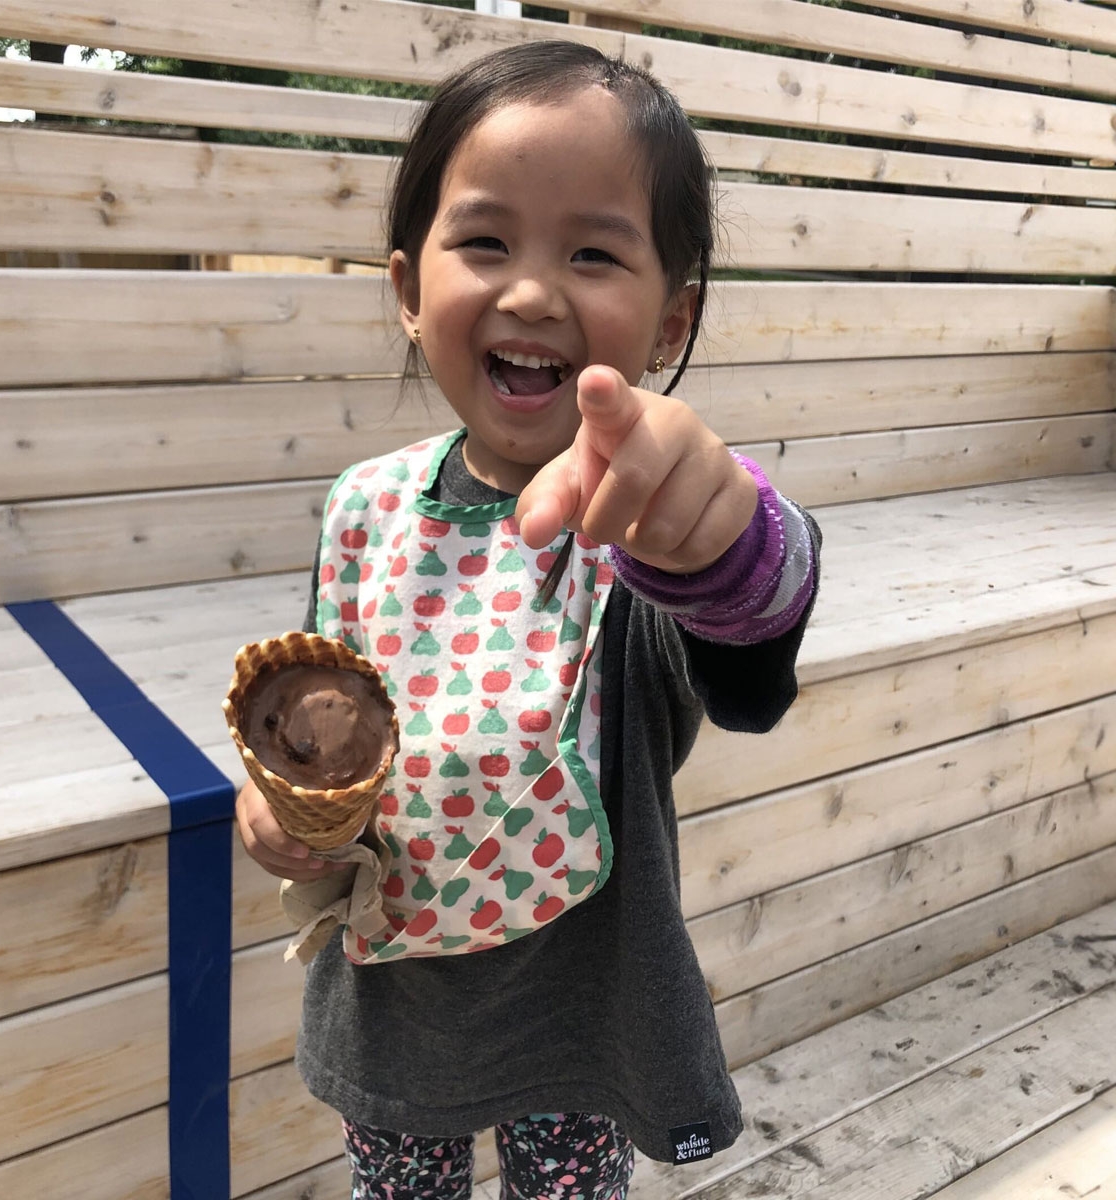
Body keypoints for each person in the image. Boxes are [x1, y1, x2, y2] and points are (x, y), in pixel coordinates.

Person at [235, 39, 821, 1198]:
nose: (534, 289)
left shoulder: (648, 524)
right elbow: (320, 726)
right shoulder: (366, 509)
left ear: (670, 319)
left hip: (579, 1020)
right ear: (409, 290)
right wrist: (281, 811)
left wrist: (731, 539)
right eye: (485, 240)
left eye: (595, 252)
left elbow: (752, 657)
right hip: (394, 1001)